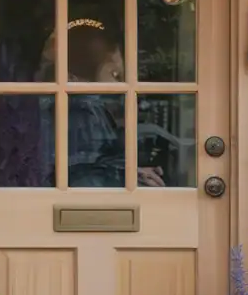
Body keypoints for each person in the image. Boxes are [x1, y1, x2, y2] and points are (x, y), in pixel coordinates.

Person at [37, 20, 165, 188]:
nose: (121, 84)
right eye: (114, 74)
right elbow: (82, 179)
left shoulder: (87, 107)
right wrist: (127, 178)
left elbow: (96, 163)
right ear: (79, 74)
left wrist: (134, 172)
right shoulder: (80, 111)